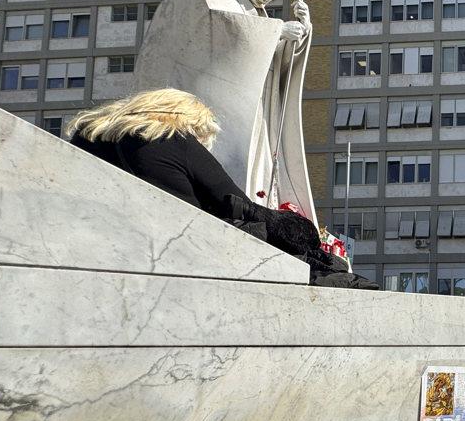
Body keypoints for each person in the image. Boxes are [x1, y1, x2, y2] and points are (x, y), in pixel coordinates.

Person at [66, 89, 376, 289]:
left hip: (103, 246)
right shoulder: (172, 140)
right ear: (185, 119)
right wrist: (303, 230)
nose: (201, 143)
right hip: (187, 252)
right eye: (201, 136)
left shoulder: (85, 140)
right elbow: (238, 205)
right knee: (328, 267)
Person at [134, 0, 316, 221]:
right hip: (206, 101)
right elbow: (216, 28)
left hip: (252, 110)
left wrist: (301, 32)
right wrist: (277, 30)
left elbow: (270, 62)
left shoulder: (254, 9)